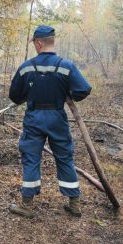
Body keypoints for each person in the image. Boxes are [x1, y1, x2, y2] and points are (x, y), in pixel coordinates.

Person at [8, 25, 92, 218]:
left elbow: (14, 96)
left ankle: (27, 206)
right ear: (51, 42)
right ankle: (74, 203)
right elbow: (84, 89)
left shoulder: (26, 67)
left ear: (39, 43)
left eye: (34, 44)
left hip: (34, 119)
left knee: (31, 159)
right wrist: (68, 94)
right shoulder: (66, 66)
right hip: (57, 118)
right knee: (64, 157)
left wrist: (26, 96)